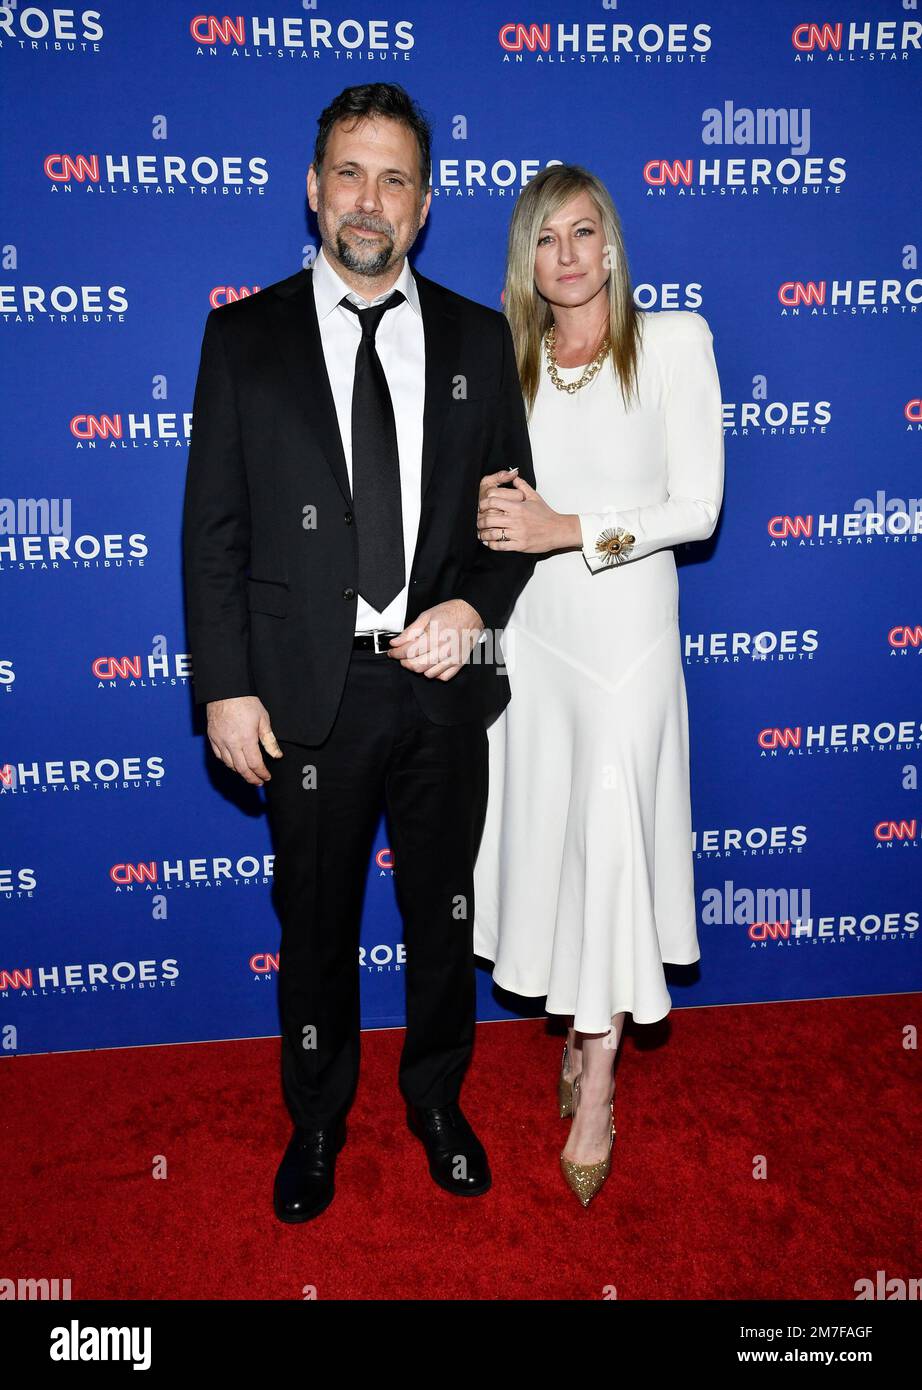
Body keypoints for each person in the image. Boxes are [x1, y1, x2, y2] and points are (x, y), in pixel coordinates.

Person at [181, 83, 537, 1223]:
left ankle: (435, 1100)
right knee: (316, 932)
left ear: (425, 205)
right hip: (302, 697)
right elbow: (214, 531)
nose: (368, 199)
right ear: (312, 188)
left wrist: (475, 613)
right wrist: (226, 688)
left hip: (440, 692)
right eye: (348, 172)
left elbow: (510, 526)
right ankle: (319, 1118)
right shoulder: (243, 336)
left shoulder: (482, 341)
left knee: (442, 921)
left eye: (393, 178)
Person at [473, 164, 724, 1206]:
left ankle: (599, 1082)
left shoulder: (672, 342)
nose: (568, 254)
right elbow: (491, 500)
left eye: (585, 232)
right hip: (534, 643)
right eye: (546, 237)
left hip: (624, 643)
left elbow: (695, 510)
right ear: (526, 259)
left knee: (614, 846)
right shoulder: (509, 361)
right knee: (558, 845)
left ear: (612, 245)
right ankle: (579, 1030)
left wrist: (565, 530)